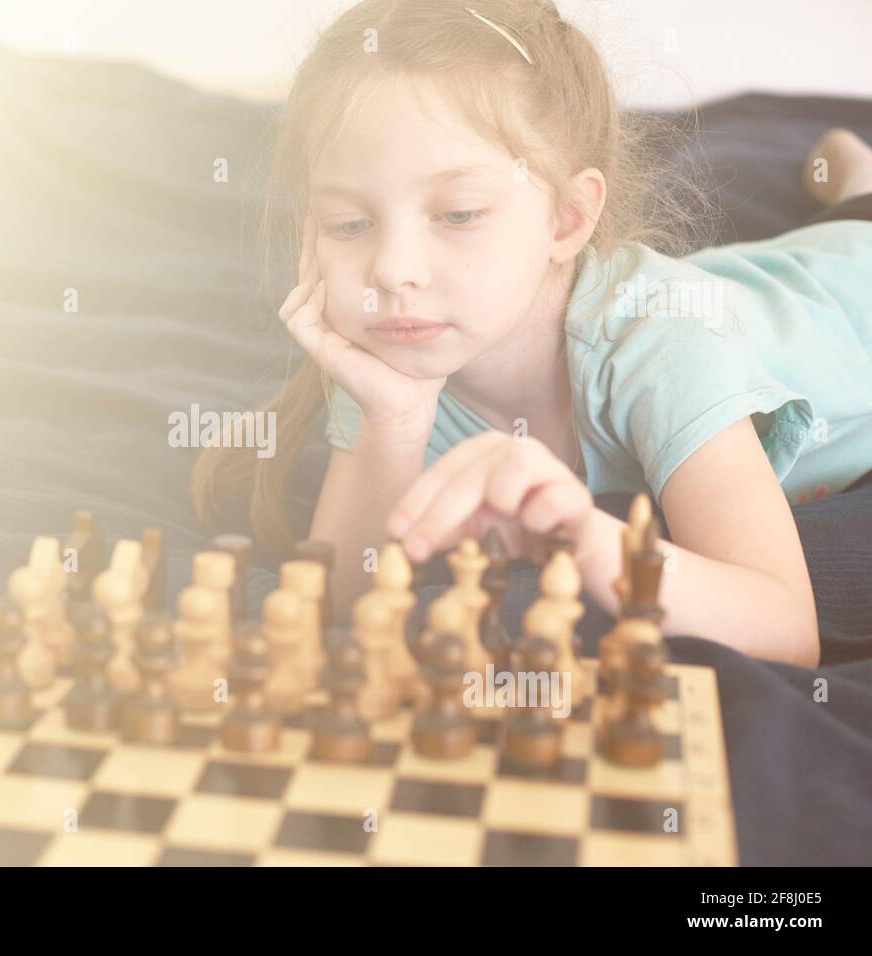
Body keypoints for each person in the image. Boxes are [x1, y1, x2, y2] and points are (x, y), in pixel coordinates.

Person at [193, 0, 872, 667]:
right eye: (348, 223)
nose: (393, 271)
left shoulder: (665, 348)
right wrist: (392, 420)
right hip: (744, 283)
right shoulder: (396, 350)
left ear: (567, 220)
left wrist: (583, 538)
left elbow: (787, 629)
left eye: (457, 214)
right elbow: (345, 611)